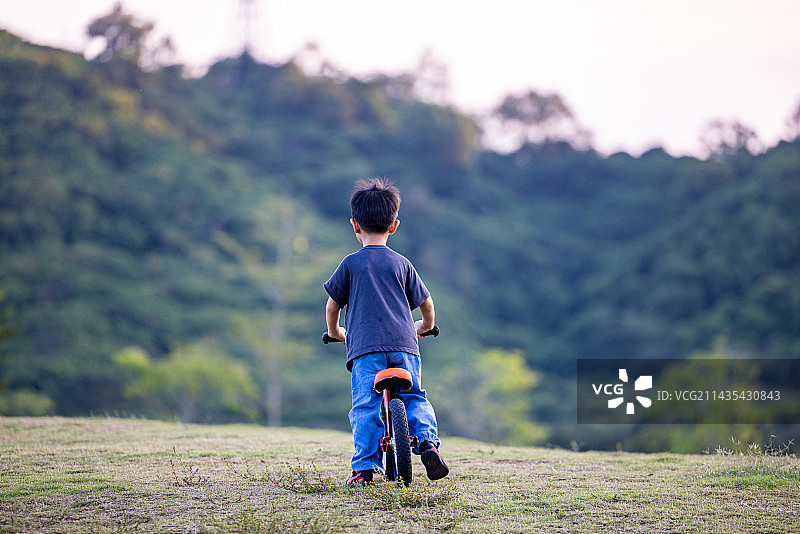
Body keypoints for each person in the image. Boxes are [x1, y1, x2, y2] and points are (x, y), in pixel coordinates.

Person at [323, 177, 449, 486]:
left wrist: (337, 332)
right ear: (394, 226)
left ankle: (364, 470)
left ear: (355, 225)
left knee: (366, 405)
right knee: (415, 396)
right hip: (404, 345)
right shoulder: (402, 264)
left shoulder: (350, 264)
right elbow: (427, 305)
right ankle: (427, 443)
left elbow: (331, 307)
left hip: (365, 349)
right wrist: (425, 327)